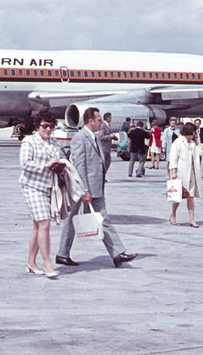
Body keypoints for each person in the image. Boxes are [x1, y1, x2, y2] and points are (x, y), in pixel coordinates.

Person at [56, 107, 137, 268]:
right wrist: (84, 189)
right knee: (72, 219)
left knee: (103, 218)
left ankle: (117, 253)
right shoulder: (80, 138)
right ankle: (62, 254)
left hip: (96, 186)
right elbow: (79, 166)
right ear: (90, 121)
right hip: (83, 188)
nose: (102, 122)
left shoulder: (95, 137)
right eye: (99, 119)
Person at [19, 108, 63, 278]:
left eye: (51, 126)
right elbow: (24, 163)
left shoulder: (54, 142)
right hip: (31, 186)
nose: (48, 129)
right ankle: (47, 263)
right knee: (45, 223)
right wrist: (45, 165)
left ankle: (31, 261)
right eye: (45, 126)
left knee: (38, 226)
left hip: (48, 187)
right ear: (38, 126)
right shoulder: (29, 141)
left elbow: (59, 159)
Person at [169, 122, 203, 228]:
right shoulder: (178, 142)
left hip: (192, 174)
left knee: (191, 197)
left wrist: (199, 143)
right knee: (178, 196)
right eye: (193, 133)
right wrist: (174, 173)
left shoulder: (192, 144)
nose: (194, 135)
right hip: (181, 173)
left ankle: (192, 219)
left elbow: (200, 153)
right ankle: (173, 214)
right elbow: (173, 158)